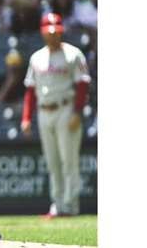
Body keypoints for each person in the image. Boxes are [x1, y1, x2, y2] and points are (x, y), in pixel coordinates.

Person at [20, 12, 91, 218]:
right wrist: (26, 117)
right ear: (43, 32)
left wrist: (77, 112)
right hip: (44, 111)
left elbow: (82, 85)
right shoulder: (37, 57)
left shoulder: (73, 54)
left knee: (69, 160)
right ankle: (57, 205)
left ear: (61, 31)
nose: (53, 35)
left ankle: (70, 206)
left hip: (66, 109)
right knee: (52, 161)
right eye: (49, 32)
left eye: (56, 31)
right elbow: (30, 90)